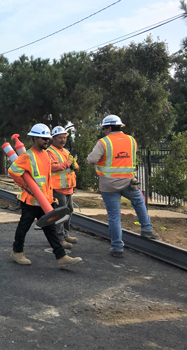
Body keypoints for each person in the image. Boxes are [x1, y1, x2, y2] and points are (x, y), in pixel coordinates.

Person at [9, 123, 83, 269]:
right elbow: (13, 171)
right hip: (31, 201)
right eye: (44, 138)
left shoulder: (45, 155)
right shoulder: (27, 156)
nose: (47, 141)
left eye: (48, 138)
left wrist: (50, 198)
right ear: (35, 138)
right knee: (23, 227)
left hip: (46, 200)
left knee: (51, 230)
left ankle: (61, 257)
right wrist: (25, 187)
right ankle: (17, 252)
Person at [86, 115, 160, 258]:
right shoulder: (132, 141)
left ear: (108, 128)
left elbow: (91, 160)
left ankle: (117, 248)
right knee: (139, 202)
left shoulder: (104, 142)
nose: (103, 132)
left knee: (114, 216)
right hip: (128, 182)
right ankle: (146, 229)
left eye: (104, 129)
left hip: (109, 185)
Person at [47, 126, 79, 250]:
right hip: (57, 188)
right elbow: (53, 167)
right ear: (53, 138)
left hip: (68, 187)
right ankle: (59, 238)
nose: (63, 140)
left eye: (64, 137)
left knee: (69, 212)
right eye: (60, 137)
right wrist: (68, 163)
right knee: (60, 214)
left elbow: (73, 166)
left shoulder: (65, 151)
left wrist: (75, 166)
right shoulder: (50, 152)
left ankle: (65, 234)